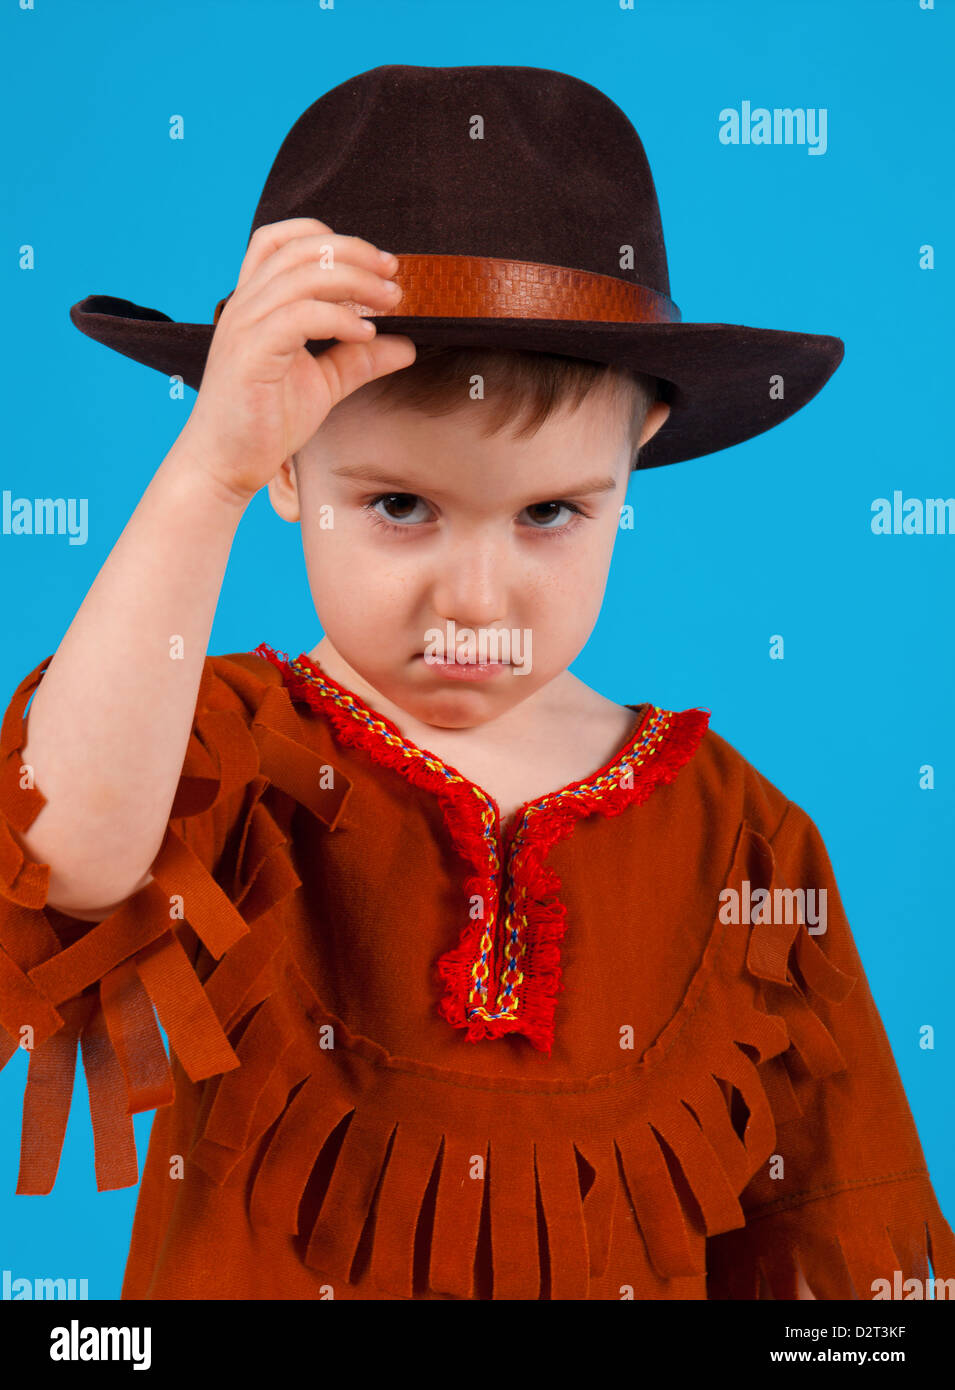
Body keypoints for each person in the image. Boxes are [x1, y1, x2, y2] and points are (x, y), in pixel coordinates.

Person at [0, 64, 951, 1301]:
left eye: (551, 511)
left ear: (637, 456)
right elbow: (61, 851)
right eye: (399, 505)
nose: (476, 599)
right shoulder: (222, 749)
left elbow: (839, 1243)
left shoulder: (747, 846)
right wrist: (204, 476)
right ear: (287, 470)